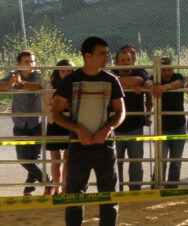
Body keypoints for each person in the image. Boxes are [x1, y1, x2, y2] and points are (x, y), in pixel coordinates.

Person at [51, 36, 125, 226]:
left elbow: (121, 111)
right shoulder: (70, 80)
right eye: (103, 53)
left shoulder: (112, 80)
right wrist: (77, 129)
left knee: (109, 196)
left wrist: (108, 128)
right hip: (78, 145)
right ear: (88, 55)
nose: (107, 57)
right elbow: (56, 113)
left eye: (108, 53)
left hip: (105, 145)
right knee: (75, 197)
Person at [0, 50, 44, 196]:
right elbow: (1, 86)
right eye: (26, 62)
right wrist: (9, 83)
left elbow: (39, 86)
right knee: (24, 159)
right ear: (19, 64)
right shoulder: (13, 74)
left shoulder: (39, 74)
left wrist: (22, 83)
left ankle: (29, 189)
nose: (30, 64)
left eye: (32, 61)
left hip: (36, 123)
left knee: (35, 158)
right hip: (19, 123)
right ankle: (48, 181)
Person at [112, 50, 152, 191]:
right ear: (116, 62)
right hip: (114, 126)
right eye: (122, 60)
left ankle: (135, 192)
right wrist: (130, 86)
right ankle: (118, 191)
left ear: (132, 61)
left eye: (128, 60)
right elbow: (135, 82)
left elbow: (141, 81)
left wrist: (118, 83)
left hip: (135, 126)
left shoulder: (139, 71)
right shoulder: (110, 72)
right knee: (116, 163)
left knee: (136, 162)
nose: (125, 63)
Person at [150, 56, 186, 188]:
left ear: (173, 68)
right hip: (161, 127)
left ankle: (172, 188)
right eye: (164, 70)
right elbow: (147, 83)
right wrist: (153, 86)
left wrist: (163, 88)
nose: (167, 73)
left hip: (179, 126)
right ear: (159, 70)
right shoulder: (154, 78)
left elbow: (180, 83)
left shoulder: (178, 76)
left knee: (176, 161)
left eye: (169, 69)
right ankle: (156, 187)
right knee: (161, 160)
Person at [42, 59, 75, 195]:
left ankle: (65, 188)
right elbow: (46, 106)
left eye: (69, 71)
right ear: (58, 72)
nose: (66, 74)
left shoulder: (76, 84)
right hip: (55, 122)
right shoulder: (51, 86)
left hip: (70, 122)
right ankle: (57, 188)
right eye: (63, 71)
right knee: (55, 159)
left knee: (68, 158)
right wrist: (59, 107)